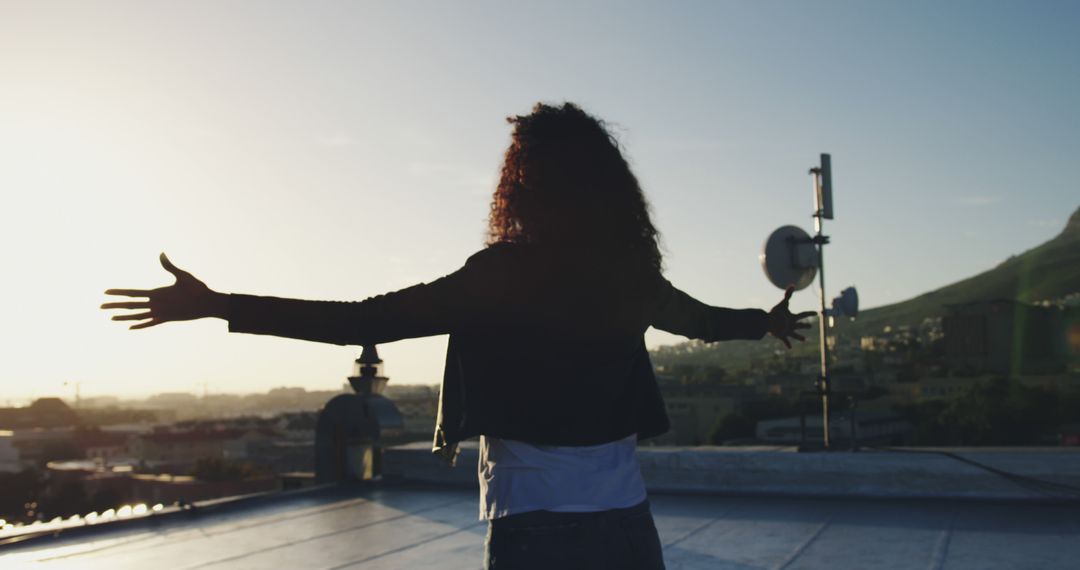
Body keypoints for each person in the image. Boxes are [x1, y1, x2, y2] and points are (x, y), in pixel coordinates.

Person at [102, 102, 812, 570]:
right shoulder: (628, 272)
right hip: (628, 523)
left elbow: (362, 320)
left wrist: (220, 303)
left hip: (535, 527)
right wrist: (767, 321)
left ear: (524, 182)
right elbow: (702, 322)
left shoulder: (502, 274)